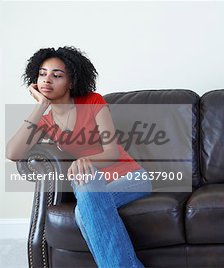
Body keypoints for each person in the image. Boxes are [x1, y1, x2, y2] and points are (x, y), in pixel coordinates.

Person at [6, 46, 151, 268]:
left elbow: (111, 152)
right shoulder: (45, 121)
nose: (47, 80)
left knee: (84, 199)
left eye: (57, 75)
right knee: (84, 201)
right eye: (42, 74)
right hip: (90, 184)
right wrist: (41, 106)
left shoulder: (93, 101)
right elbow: (12, 153)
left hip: (131, 177)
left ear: (72, 81)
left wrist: (86, 161)